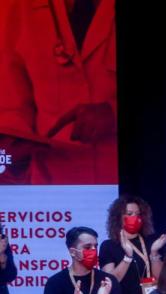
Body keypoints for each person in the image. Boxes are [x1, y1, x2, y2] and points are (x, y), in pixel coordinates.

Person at [0, 0, 117, 185]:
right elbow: (12, 107)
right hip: (52, 185)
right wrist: (13, 150)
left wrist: (114, 112)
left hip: (126, 180)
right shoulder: (16, 7)